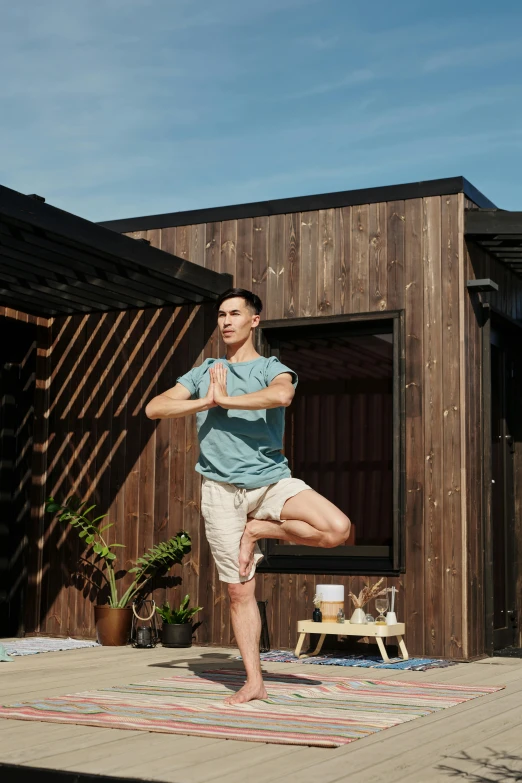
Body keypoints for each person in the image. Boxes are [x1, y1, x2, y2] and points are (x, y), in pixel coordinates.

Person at [145, 288, 351, 705]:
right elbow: (155, 408)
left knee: (337, 529)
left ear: (253, 321)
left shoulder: (273, 368)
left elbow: (281, 396)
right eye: (221, 314)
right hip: (221, 492)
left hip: (271, 481)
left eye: (235, 314)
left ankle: (257, 530)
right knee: (240, 591)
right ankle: (254, 681)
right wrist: (206, 399)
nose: (226, 321)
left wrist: (227, 401)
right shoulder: (205, 371)